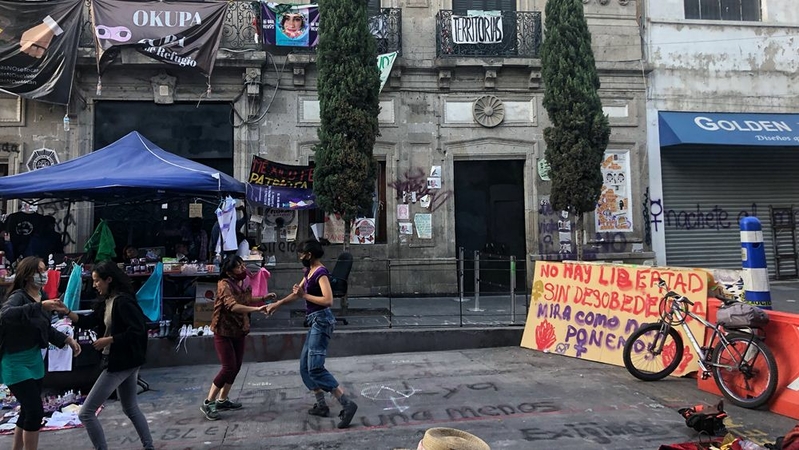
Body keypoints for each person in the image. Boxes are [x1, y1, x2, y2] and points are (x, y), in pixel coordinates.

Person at [265, 239, 358, 429]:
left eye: (301, 254)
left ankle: (347, 403)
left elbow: (328, 300)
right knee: (304, 367)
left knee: (315, 367)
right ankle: (321, 405)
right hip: (315, 320)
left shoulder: (321, 273)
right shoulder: (309, 272)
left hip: (322, 321)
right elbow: (297, 293)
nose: (300, 257)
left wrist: (304, 296)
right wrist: (278, 304)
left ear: (309, 255)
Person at [62, 261, 154, 450]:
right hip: (126, 361)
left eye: (97, 281)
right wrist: (67, 312)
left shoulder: (122, 301)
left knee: (86, 413)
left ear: (109, 280)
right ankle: (149, 446)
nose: (94, 285)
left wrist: (109, 340)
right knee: (130, 407)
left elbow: (138, 330)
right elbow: (89, 321)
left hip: (121, 362)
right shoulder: (107, 301)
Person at [0, 256, 81, 450]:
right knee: (35, 411)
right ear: (27, 275)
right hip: (15, 362)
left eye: (44, 270)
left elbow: (46, 328)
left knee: (27, 411)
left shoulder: (43, 297)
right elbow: (5, 315)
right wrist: (39, 306)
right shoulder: (19, 296)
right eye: (39, 271)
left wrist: (67, 340)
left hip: (34, 360)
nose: (43, 275)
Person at [200, 255, 274, 421]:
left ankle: (222, 400)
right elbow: (232, 305)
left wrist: (263, 298)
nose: (243, 268)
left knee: (237, 366)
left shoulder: (244, 282)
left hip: (239, 329)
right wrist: (256, 310)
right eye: (238, 266)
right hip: (223, 330)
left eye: (242, 265)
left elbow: (246, 299)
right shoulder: (224, 285)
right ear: (229, 272)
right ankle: (208, 401)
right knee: (228, 367)